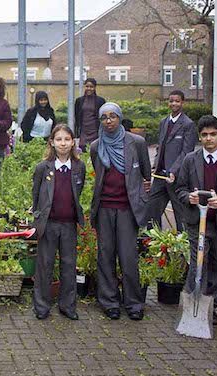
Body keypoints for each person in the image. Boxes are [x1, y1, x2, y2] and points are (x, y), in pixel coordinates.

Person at [90, 102, 151, 321]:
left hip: (127, 209)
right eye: (104, 117)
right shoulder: (96, 146)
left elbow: (146, 174)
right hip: (105, 208)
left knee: (128, 258)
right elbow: (98, 177)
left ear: (119, 117)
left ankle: (133, 303)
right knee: (105, 256)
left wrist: (143, 195)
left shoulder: (137, 143)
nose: (108, 121)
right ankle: (109, 302)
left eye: (112, 116)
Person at [32, 124, 85, 320]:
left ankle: (67, 305)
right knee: (45, 265)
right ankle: (42, 306)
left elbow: (77, 193)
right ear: (52, 143)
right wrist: (37, 221)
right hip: (49, 225)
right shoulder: (42, 168)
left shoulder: (79, 167)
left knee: (69, 265)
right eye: (59, 139)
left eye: (67, 139)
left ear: (73, 142)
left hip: (69, 224)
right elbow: (35, 197)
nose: (63, 143)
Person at [175, 115, 217, 326]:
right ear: (199, 137)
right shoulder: (190, 160)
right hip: (197, 221)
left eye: (213, 134)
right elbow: (180, 189)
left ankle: (211, 304)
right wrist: (189, 198)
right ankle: (193, 303)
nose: (209, 139)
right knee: (198, 263)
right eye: (204, 135)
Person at [148, 90, 197, 231]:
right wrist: (155, 164)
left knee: (180, 215)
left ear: (182, 103)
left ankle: (182, 248)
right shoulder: (164, 122)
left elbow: (187, 152)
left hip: (177, 178)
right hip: (160, 176)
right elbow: (160, 146)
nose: (174, 103)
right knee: (152, 211)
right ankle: (153, 244)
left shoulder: (188, 124)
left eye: (177, 101)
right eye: (171, 101)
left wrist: (174, 171)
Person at [75, 78, 106, 151]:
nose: (89, 88)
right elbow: (76, 117)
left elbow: (103, 116)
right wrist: (76, 131)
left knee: (95, 150)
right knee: (82, 151)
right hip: (83, 131)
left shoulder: (100, 101)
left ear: (95, 87)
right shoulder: (79, 101)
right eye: (87, 86)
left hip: (95, 131)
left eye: (91, 87)